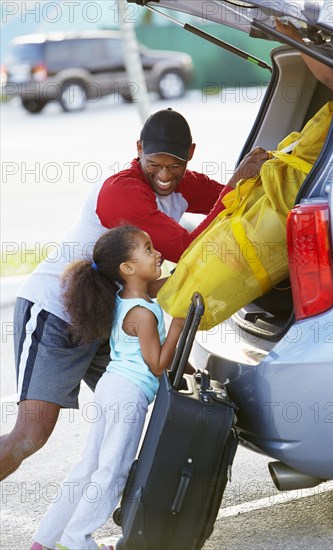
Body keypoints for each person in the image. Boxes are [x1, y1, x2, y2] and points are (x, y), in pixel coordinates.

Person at [0, 109, 266, 481]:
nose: (164, 174)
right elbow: (190, 248)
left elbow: (227, 202)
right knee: (29, 437)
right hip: (55, 314)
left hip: (109, 317)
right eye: (153, 163)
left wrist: (261, 180)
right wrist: (237, 183)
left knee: (171, 396)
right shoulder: (121, 193)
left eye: (175, 165)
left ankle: (132, 505)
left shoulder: (180, 182)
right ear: (138, 150)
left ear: (190, 153)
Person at [30, 224, 186, 550]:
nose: (157, 253)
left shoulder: (126, 297)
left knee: (88, 467)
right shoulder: (142, 313)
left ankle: (44, 540)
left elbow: (158, 287)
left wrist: (185, 274)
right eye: (148, 249)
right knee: (112, 472)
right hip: (128, 395)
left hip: (111, 387)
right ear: (127, 269)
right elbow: (157, 364)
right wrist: (178, 328)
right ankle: (76, 541)